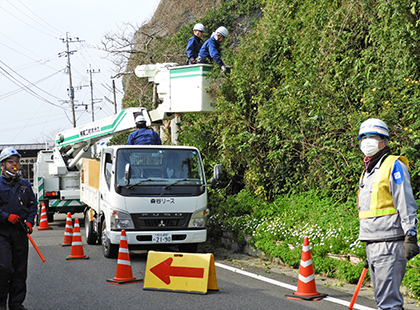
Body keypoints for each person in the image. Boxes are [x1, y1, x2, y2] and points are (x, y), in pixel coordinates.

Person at [357, 118, 419, 310]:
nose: (368, 141)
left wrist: (410, 234)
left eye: (373, 137)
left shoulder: (394, 165)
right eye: (364, 137)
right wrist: (369, 245)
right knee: (382, 301)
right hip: (374, 243)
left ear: (384, 141)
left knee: (388, 304)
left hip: (390, 242)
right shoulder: (368, 172)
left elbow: (405, 202)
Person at [0, 147, 37, 310]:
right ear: (3, 165)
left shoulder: (24, 185)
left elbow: (33, 205)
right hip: (2, 233)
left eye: (16, 161)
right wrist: (5, 216)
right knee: (5, 267)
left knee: (20, 270)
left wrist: (29, 221)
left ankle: (16, 303)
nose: (14, 165)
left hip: (21, 232)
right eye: (10, 162)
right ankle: (1, 300)